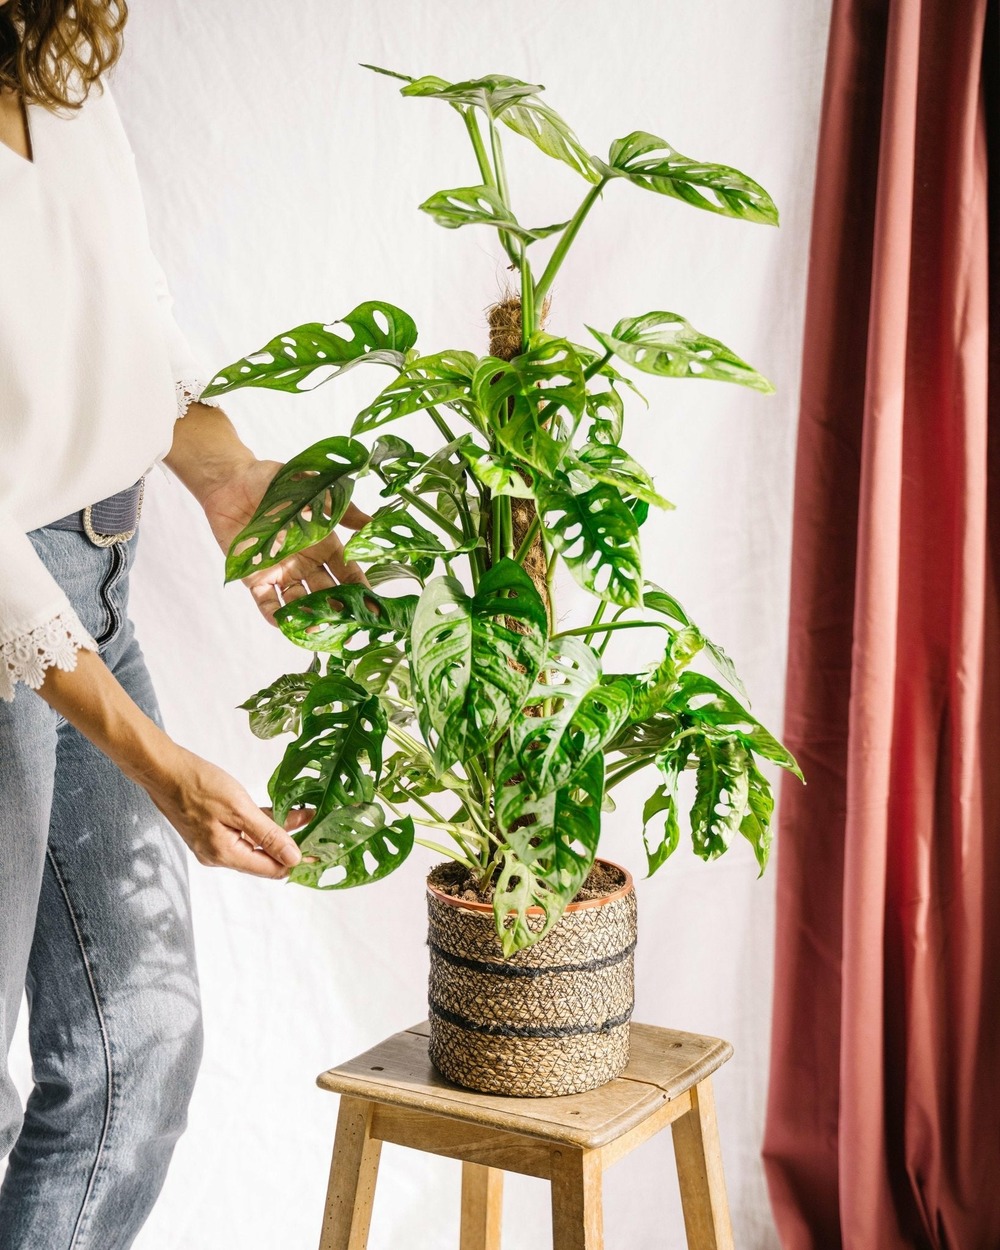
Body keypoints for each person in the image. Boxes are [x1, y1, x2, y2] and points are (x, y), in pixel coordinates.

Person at [0, 2, 365, 1245]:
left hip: (91, 572)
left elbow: (122, 325)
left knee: (137, 1039)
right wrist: (161, 766)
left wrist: (230, 478)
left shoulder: (55, 66)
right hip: (11, 607)